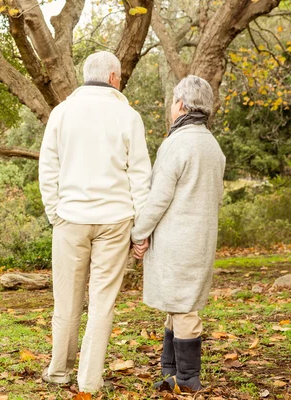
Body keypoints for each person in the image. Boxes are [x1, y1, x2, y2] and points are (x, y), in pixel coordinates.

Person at [39, 51, 152, 393]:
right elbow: (140, 177)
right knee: (102, 303)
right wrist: (140, 231)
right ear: (114, 77)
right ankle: (89, 380)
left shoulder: (62, 113)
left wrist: (55, 213)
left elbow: (48, 169)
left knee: (67, 300)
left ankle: (59, 372)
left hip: (71, 218)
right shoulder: (128, 116)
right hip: (116, 219)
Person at [131, 75, 226, 393]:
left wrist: (139, 233)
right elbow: (218, 195)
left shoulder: (177, 143)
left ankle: (187, 379)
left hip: (177, 240)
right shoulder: (212, 146)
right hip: (201, 238)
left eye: (173, 101)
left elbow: (159, 197)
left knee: (184, 309)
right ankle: (171, 373)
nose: (171, 107)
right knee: (179, 305)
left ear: (182, 105)